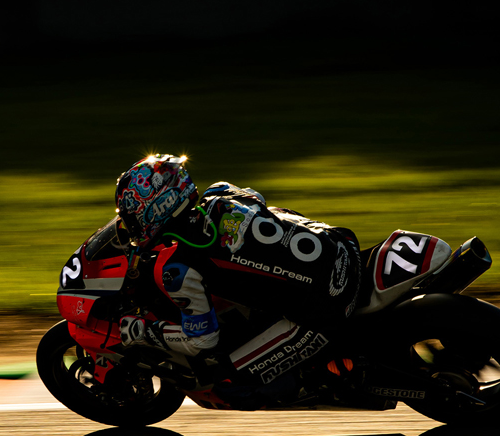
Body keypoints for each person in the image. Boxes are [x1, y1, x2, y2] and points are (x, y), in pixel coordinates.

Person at [114, 154, 361, 401]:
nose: (130, 225)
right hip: (343, 244)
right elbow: (257, 201)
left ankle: (317, 384)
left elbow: (202, 341)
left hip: (329, 306)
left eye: (131, 217)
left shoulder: (178, 268)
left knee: (226, 384)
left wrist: (142, 331)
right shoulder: (221, 192)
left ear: (154, 208)